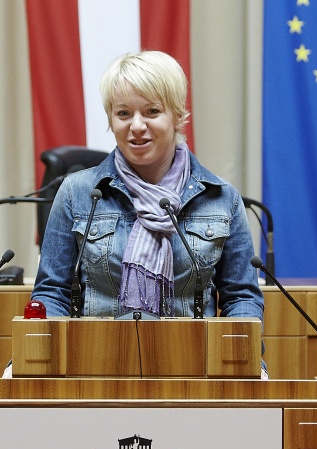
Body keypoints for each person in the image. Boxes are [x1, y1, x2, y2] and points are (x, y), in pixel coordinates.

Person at [31, 50, 264, 323]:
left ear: (177, 116)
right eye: (123, 113)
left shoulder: (222, 198)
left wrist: (240, 358)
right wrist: (46, 354)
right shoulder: (78, 193)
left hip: (192, 362)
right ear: (111, 120)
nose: (137, 126)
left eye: (152, 111)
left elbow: (242, 298)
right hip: (95, 360)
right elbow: (52, 293)